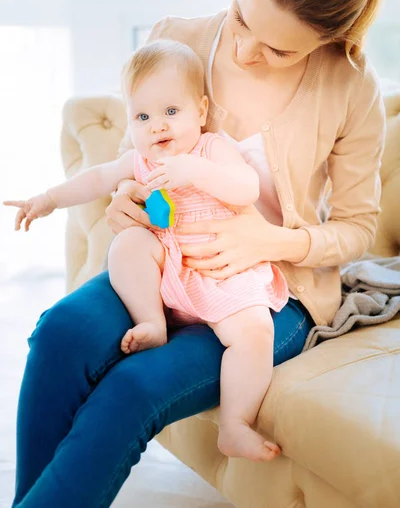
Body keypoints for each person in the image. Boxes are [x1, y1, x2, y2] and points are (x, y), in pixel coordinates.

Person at [9, 0, 385, 507]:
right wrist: (125, 203)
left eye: (280, 49)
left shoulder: (350, 87)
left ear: (328, 41)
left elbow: (359, 227)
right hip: (168, 263)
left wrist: (268, 241)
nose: (245, 50)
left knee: (132, 389)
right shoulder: (176, 36)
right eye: (242, 18)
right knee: (59, 333)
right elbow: (126, 163)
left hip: (267, 290)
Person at [5, 39, 289, 462]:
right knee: (129, 244)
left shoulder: (211, 149)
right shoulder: (140, 162)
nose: (157, 126)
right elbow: (96, 178)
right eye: (143, 116)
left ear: (202, 112)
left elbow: (246, 188)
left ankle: (235, 424)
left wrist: (196, 170)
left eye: (171, 112)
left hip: (222, 270)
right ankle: (151, 321)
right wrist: (46, 199)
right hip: (169, 268)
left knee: (254, 334)